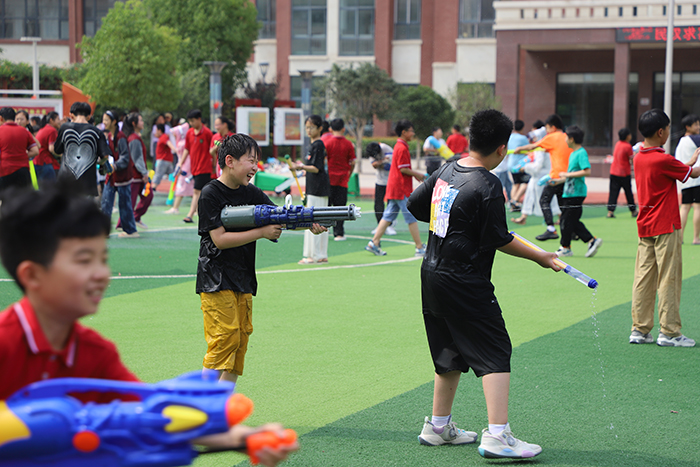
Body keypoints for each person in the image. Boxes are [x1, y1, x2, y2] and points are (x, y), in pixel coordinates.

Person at [0, 183, 298, 467]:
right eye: (83, 260)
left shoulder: (94, 352)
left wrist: (245, 437)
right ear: (33, 276)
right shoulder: (6, 344)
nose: (101, 274)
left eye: (103, 259)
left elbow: (150, 413)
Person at [406, 109, 557, 459]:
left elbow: (415, 205)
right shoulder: (488, 184)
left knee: (448, 349)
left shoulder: (446, 169)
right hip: (464, 280)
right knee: (495, 348)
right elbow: (499, 238)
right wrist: (541, 256)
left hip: (432, 274)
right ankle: (498, 435)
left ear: (472, 138)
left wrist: (451, 221)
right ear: (502, 149)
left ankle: (439, 426)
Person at [198, 134, 325, 384]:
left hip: (242, 277)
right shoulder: (210, 194)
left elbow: (280, 217)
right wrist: (261, 233)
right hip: (215, 278)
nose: (256, 167)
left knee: (240, 343)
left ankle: (221, 413)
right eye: (251, 160)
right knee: (225, 339)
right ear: (230, 161)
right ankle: (198, 407)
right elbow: (219, 239)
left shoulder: (251, 192)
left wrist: (309, 222)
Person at [630, 109, 700, 347]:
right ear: (661, 132)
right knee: (669, 277)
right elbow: (690, 173)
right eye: (668, 129)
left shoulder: (640, 156)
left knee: (643, 277)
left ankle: (640, 329)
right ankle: (669, 331)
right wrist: (692, 165)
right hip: (666, 226)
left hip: (645, 225)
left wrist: (687, 164)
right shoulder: (663, 159)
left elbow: (677, 171)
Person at [365, 119, 426, 257]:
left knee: (388, 216)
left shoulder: (399, 146)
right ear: (404, 132)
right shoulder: (401, 147)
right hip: (400, 188)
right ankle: (419, 247)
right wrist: (419, 175)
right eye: (411, 131)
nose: (413, 133)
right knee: (410, 216)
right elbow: (403, 169)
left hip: (395, 187)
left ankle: (374, 243)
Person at [514, 114, 572, 241]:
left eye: (547, 128)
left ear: (552, 127)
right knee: (563, 206)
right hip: (567, 176)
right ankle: (572, 232)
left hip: (555, 176)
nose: (547, 130)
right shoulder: (567, 137)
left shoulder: (551, 137)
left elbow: (534, 147)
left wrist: (519, 149)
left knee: (544, 201)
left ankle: (551, 229)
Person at [552, 125, 602, 258]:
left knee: (567, 220)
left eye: (566, 138)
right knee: (571, 220)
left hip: (576, 193)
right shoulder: (573, 154)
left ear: (572, 139)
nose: (565, 140)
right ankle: (590, 241)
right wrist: (559, 181)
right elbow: (572, 174)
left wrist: (567, 175)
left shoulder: (581, 153)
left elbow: (587, 171)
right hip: (570, 192)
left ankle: (566, 247)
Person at [54, 102, 111, 197]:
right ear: (89, 116)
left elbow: (57, 150)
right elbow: (105, 156)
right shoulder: (97, 132)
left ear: (71, 115)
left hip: (66, 181)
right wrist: (99, 163)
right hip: (87, 182)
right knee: (84, 210)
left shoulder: (65, 128)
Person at [295, 115, 330, 264]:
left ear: (320, 128)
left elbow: (316, 168)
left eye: (312, 127)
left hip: (318, 188)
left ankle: (315, 255)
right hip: (315, 188)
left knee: (314, 220)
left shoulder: (318, 145)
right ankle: (318, 254)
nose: (309, 130)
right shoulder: (314, 145)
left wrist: (301, 166)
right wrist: (303, 169)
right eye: (307, 127)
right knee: (317, 219)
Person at [100, 110, 138, 239]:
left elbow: (125, 157)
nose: (103, 122)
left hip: (122, 177)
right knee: (106, 202)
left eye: (106, 120)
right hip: (112, 176)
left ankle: (131, 231)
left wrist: (114, 166)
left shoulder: (120, 137)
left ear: (114, 122)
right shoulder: (109, 136)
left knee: (124, 205)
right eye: (103, 120)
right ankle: (103, 231)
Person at [176, 109, 214, 224]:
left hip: (205, 168)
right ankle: (205, 214)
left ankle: (190, 214)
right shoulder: (189, 133)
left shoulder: (207, 133)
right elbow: (187, 149)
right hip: (194, 168)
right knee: (204, 192)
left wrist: (214, 165)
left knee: (197, 192)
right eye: (190, 121)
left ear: (199, 119)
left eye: (193, 121)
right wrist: (180, 163)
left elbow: (212, 148)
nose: (191, 123)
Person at [324, 118, 356, 241]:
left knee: (327, 207)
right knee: (340, 207)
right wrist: (349, 173)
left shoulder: (327, 143)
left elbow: (324, 160)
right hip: (342, 180)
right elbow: (352, 162)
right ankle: (339, 233)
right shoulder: (348, 144)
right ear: (343, 129)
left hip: (329, 179)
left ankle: (325, 229)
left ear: (331, 129)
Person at [510, 149, 561, 225]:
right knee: (530, 197)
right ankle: (523, 217)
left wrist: (525, 167)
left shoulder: (541, 150)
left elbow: (537, 166)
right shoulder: (540, 150)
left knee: (549, 200)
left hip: (543, 178)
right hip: (538, 177)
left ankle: (559, 218)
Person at [121, 112, 153, 230]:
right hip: (135, 175)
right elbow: (136, 158)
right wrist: (144, 173)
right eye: (140, 120)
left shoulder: (134, 137)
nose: (143, 122)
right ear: (134, 123)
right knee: (131, 201)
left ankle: (135, 217)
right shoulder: (134, 139)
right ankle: (123, 222)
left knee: (146, 196)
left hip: (138, 175)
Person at [674, 114, 700, 243]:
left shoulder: (681, 141)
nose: (699, 127)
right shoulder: (696, 139)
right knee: (698, 207)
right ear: (688, 127)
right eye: (696, 124)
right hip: (696, 179)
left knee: (684, 207)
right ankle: (696, 238)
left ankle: (680, 237)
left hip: (684, 179)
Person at [0, 107, 39, 191]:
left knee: (6, 199)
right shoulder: (24, 131)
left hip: (5, 171)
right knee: (23, 199)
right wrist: (21, 156)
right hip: (23, 171)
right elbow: (35, 150)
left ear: (1, 118)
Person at [366, 142, 397, 236]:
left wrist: (381, 163)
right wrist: (382, 161)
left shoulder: (386, 149)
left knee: (391, 203)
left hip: (391, 180)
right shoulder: (371, 151)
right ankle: (380, 225)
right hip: (380, 181)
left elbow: (389, 166)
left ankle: (390, 225)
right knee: (378, 203)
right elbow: (374, 165)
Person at [607, 128, 638, 218]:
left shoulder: (617, 144)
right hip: (624, 173)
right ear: (628, 136)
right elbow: (631, 160)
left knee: (613, 192)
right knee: (628, 193)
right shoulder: (627, 146)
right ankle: (633, 211)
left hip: (614, 172)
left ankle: (610, 211)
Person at [506, 120, 530, 211]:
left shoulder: (510, 137)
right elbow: (529, 149)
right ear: (523, 128)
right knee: (526, 183)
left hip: (511, 164)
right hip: (520, 165)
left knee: (516, 184)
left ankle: (513, 203)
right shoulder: (523, 138)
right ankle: (515, 201)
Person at [34, 111, 62, 185]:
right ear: (51, 120)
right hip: (45, 162)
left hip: (38, 162)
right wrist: (63, 155)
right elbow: (51, 149)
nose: (59, 121)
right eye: (58, 119)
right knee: (51, 189)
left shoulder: (43, 128)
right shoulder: (52, 130)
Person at [152, 123, 177, 189]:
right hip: (167, 160)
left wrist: (175, 150)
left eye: (156, 130)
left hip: (163, 160)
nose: (155, 132)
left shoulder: (163, 137)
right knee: (172, 174)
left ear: (159, 130)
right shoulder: (161, 137)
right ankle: (175, 186)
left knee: (158, 174)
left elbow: (169, 143)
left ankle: (153, 187)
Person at [210, 115, 234, 179]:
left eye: (218, 125)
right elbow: (211, 152)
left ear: (225, 124)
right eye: (215, 125)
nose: (216, 127)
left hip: (231, 165)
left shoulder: (233, 137)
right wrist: (214, 150)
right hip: (219, 166)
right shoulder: (215, 137)